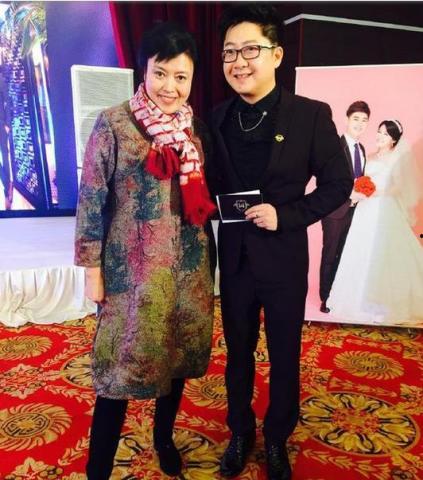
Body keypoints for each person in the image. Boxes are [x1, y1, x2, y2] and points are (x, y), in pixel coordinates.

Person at [206, 5, 353, 480]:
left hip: (284, 258)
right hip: (235, 259)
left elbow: (339, 184)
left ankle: (276, 437)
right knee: (238, 352)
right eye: (230, 52)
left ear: (276, 55)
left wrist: (286, 215)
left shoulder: (310, 115)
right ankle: (240, 430)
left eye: (250, 49)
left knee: (285, 354)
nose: (238, 62)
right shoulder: (215, 118)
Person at [74, 21, 216, 480]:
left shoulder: (196, 130)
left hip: (188, 272)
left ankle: (163, 438)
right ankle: (98, 467)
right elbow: (91, 198)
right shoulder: (115, 123)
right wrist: (92, 269)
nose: (170, 87)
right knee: (117, 371)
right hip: (131, 277)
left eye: (181, 76)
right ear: (144, 70)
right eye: (161, 73)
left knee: (176, 362)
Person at [328, 120, 423, 325]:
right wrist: (361, 190)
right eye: (379, 132)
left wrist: (374, 192)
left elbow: (399, 187)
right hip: (365, 209)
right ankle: (357, 302)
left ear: (394, 140)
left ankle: (382, 306)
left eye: (386, 134)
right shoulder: (369, 156)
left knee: (383, 253)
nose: (380, 136)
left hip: (384, 208)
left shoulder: (397, 159)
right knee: (360, 250)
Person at [319, 101, 370, 313]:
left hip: (356, 210)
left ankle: (339, 296)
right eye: (356, 118)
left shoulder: (362, 149)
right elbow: (324, 179)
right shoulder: (334, 147)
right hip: (335, 210)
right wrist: (349, 194)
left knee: (346, 255)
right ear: (347, 119)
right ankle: (325, 298)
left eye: (364, 120)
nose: (360, 124)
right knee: (330, 255)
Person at [0, 63, 13, 210]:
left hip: (1, 123)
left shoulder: (1, 79)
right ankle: (7, 182)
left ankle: (7, 186)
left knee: (4, 155)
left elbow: (7, 102)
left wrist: (7, 123)